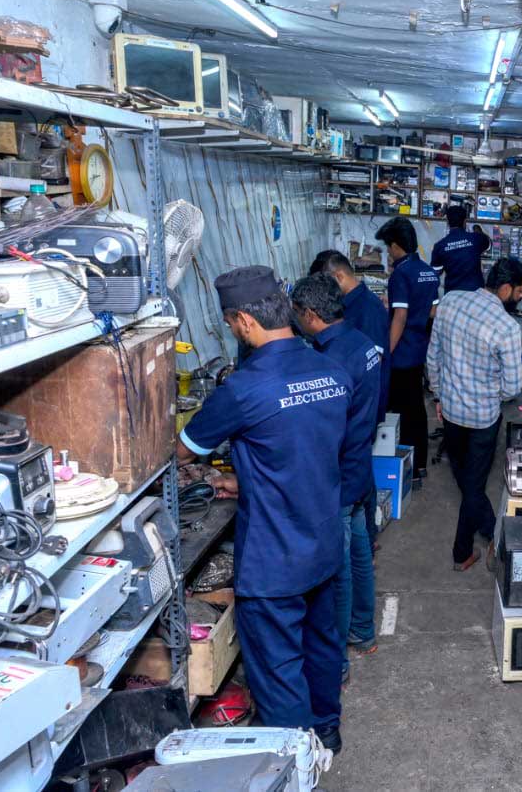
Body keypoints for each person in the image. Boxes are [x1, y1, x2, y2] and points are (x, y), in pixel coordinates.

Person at [176, 266, 351, 752]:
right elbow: (303, 450)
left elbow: (183, 451)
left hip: (275, 556)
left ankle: (293, 762)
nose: (233, 331)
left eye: (231, 324)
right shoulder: (332, 371)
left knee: (277, 667)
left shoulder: (243, 387)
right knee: (320, 644)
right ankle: (327, 733)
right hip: (322, 541)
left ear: (245, 321)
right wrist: (249, 478)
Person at [291, 274, 382, 673]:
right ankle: (363, 632)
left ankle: (336, 663)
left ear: (311, 314)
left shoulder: (329, 360)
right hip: (360, 467)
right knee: (360, 555)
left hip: (338, 477)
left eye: (297, 314)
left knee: (338, 571)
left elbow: (323, 428)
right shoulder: (361, 343)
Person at [426, 256, 522, 570]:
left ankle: (488, 529)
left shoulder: (450, 301)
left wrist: (439, 394)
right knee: (473, 485)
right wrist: (489, 394)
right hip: (483, 419)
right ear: (506, 288)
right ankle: (463, 552)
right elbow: (512, 387)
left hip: (451, 413)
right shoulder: (507, 327)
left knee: (465, 478)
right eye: (521, 290)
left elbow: (433, 357)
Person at [311, 249, 391, 550]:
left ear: (338, 276)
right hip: (360, 406)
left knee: (358, 477)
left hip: (363, 405)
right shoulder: (352, 303)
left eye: (324, 282)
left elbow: (372, 362)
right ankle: (367, 539)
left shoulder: (367, 308)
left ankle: (367, 538)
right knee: (360, 471)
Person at [375, 217, 440, 487]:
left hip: (401, 354)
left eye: (388, 247)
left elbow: (399, 317)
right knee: (417, 409)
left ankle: (405, 469)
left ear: (396, 245)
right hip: (419, 350)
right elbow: (433, 311)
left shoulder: (400, 274)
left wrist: (385, 354)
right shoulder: (428, 271)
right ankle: (420, 464)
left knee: (399, 413)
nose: (388, 253)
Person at [430, 205, 490, 293]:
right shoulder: (476, 238)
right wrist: (477, 230)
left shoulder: (439, 246)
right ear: (465, 222)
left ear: (447, 222)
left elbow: (436, 272)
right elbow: (488, 244)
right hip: (475, 294)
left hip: (453, 295)